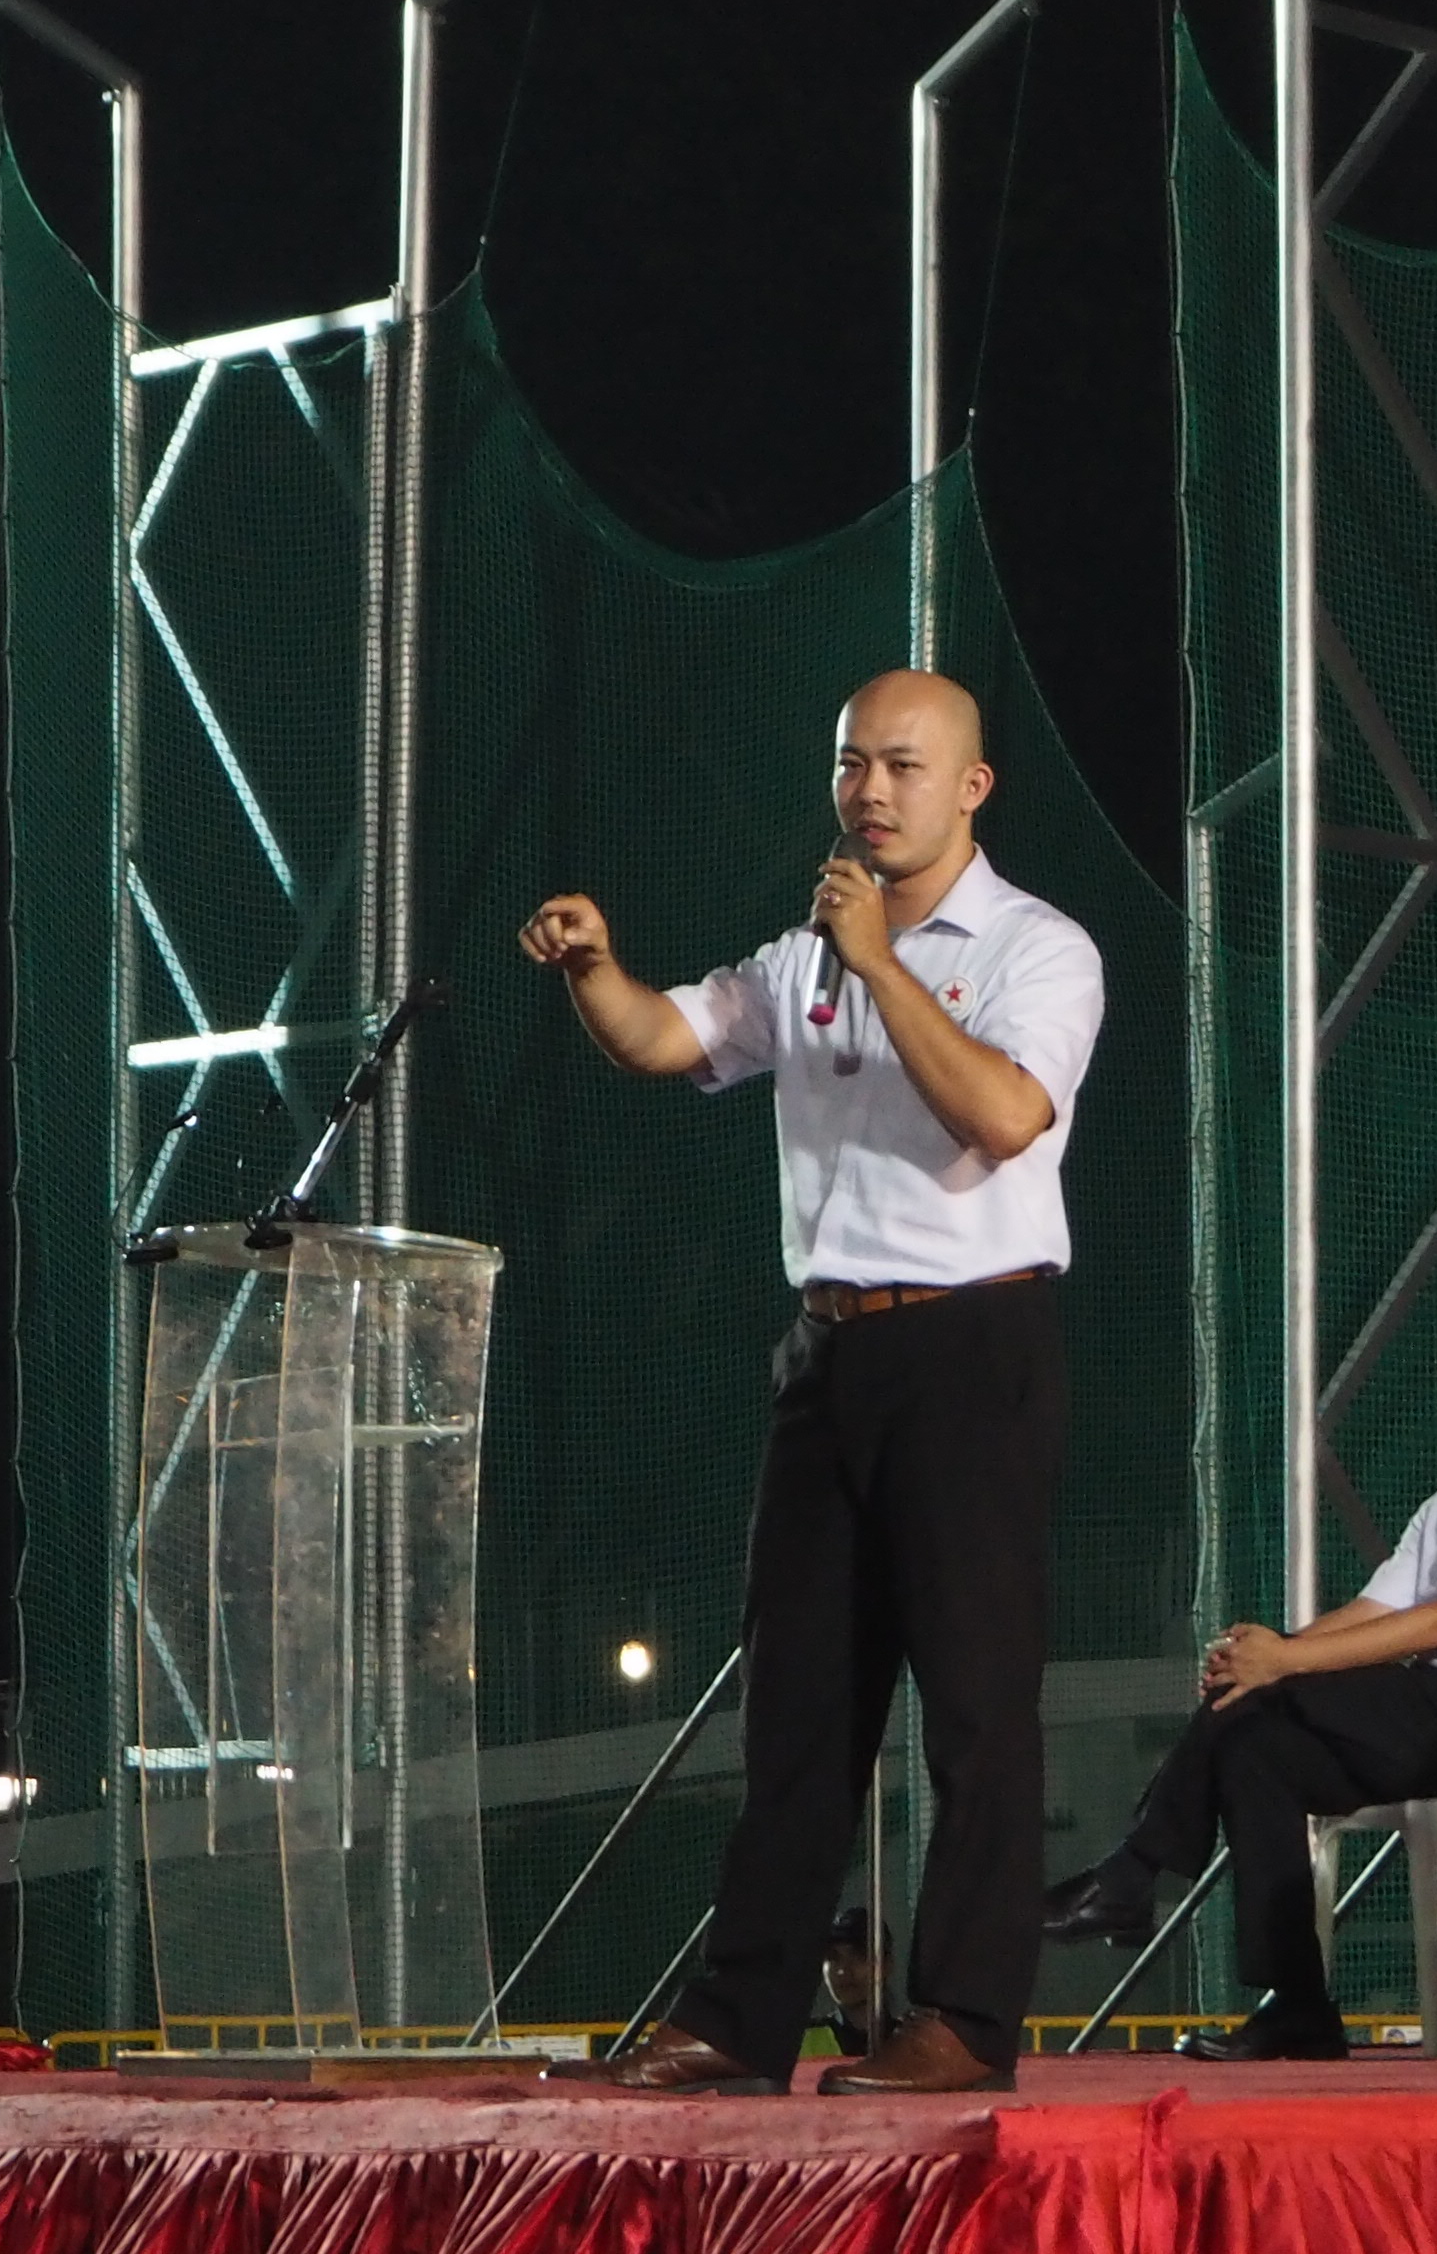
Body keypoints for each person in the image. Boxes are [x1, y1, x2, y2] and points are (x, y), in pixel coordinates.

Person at [521, 669, 1107, 2098]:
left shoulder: (1038, 948)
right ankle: (742, 2017)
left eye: (902, 766)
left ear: (972, 787)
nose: (869, 791)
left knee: (975, 1702)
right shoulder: (804, 958)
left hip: (971, 1343)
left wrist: (885, 967)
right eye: (851, 764)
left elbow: (1005, 1114)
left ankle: (963, 2019)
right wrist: (595, 967)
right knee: (796, 1705)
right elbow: (670, 1037)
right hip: (830, 1350)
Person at [1040, 1299, 1437, 2059]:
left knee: (1270, 1693)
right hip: (1427, 1714)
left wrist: (1283, 1662)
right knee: (1255, 1748)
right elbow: (1376, 1609)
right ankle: (1297, 2005)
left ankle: (1132, 1872)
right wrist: (1266, 1655)